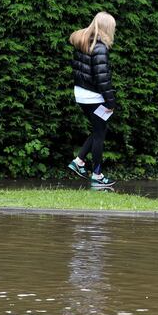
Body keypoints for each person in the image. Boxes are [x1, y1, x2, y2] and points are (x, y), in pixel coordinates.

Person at [67, 12, 118, 187]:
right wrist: (110, 103)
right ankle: (97, 175)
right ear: (107, 27)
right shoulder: (100, 47)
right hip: (94, 96)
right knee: (99, 134)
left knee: (98, 130)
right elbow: (102, 79)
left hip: (81, 94)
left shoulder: (83, 42)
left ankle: (79, 161)